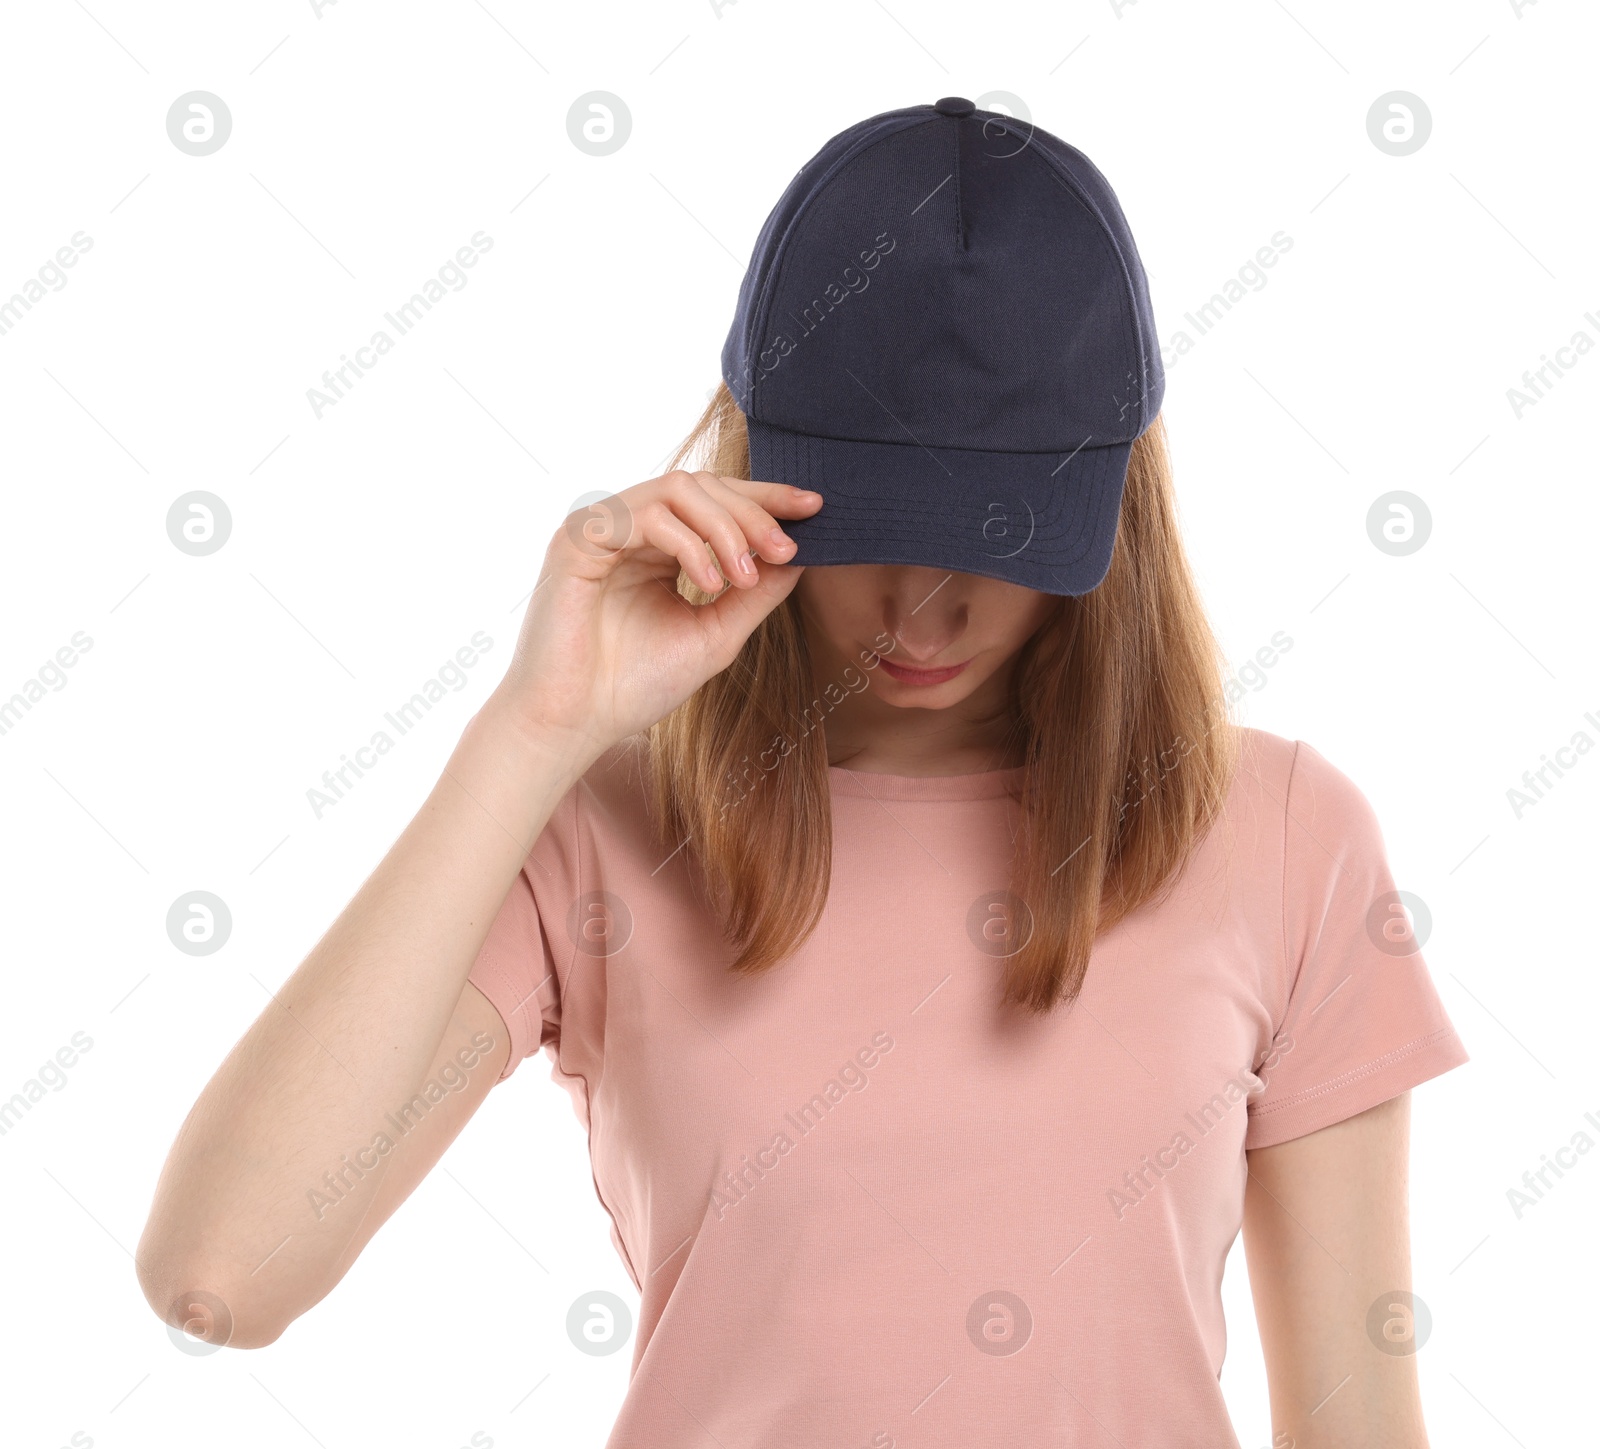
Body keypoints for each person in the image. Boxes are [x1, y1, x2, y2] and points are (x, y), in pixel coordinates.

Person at [137, 99, 1468, 1448]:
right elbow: (220, 1275)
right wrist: (534, 728)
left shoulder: (1289, 837)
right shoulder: (605, 829)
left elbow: (1360, 1427)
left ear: (1111, 499)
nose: (922, 610)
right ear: (759, 462)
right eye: (873, 521)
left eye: (996, 535)